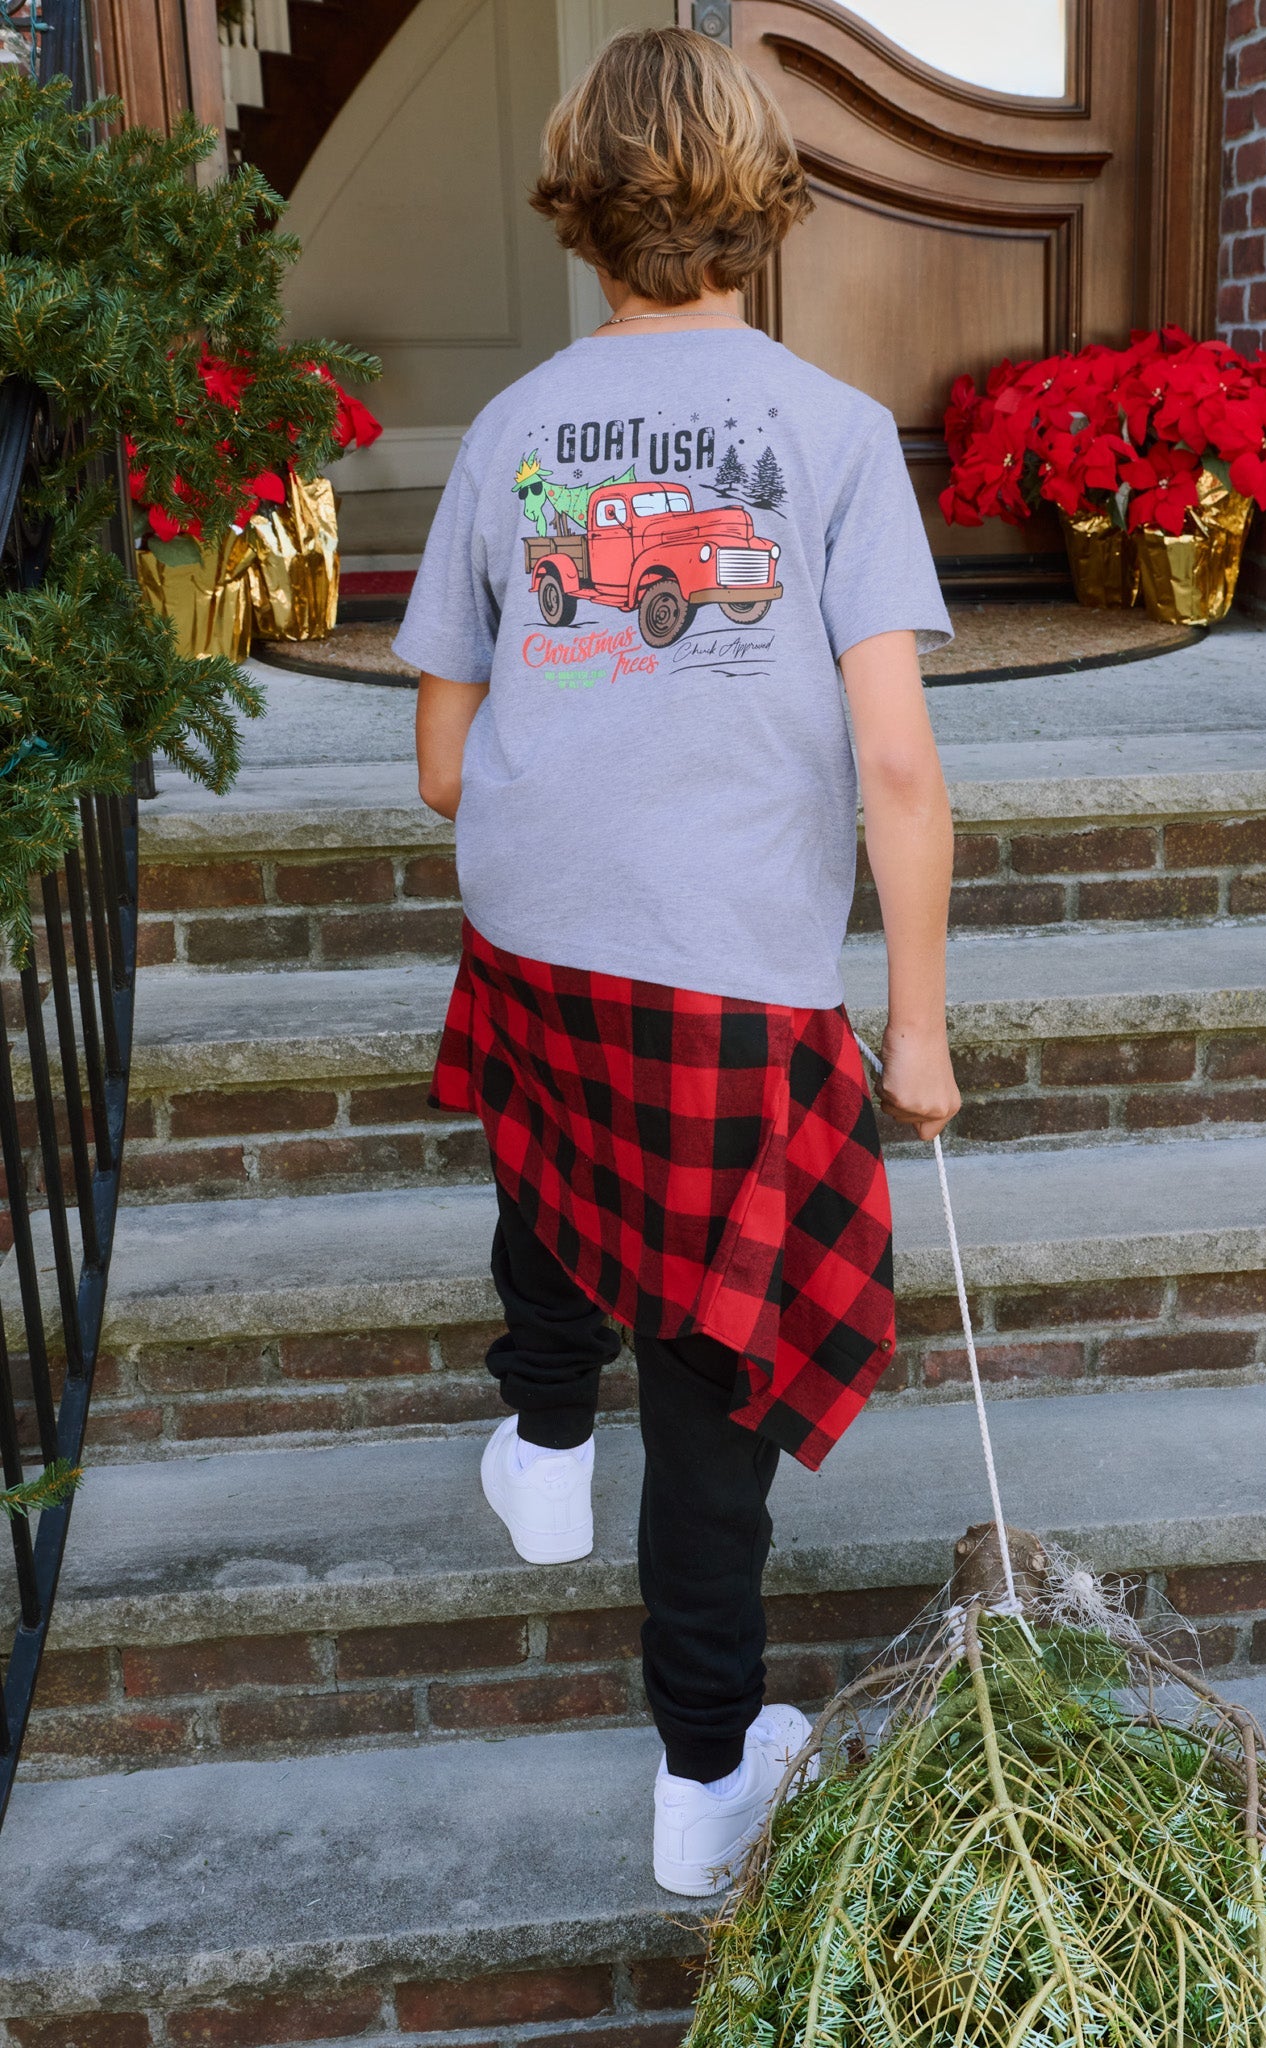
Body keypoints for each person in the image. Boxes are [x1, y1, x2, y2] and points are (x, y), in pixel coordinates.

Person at [398, 24, 958, 1899]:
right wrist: (919, 1028)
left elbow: (440, 760)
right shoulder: (832, 434)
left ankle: (543, 1441)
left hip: (539, 918)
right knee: (713, 1371)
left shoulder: (505, 431)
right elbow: (892, 759)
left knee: (550, 1166)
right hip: (732, 963)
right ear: (760, 204)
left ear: (578, 200)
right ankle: (705, 1778)